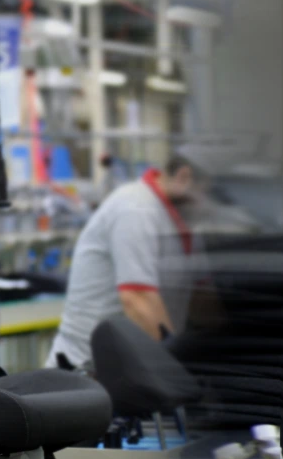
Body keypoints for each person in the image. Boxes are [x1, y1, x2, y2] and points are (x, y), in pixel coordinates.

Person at [49, 156, 201, 368]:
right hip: (88, 370)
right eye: (206, 193)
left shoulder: (180, 217)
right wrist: (179, 368)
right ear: (183, 177)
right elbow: (137, 300)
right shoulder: (137, 208)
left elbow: (200, 300)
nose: (207, 203)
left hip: (129, 366)